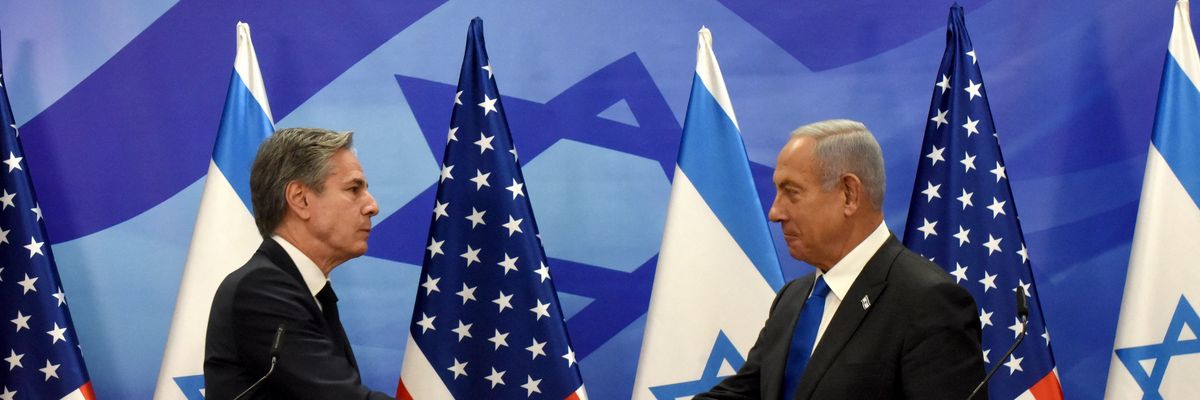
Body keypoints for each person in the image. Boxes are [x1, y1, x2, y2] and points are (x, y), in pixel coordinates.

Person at [696, 119, 985, 399]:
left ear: (849, 194)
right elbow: (744, 394)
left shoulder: (927, 301)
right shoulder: (792, 299)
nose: (775, 212)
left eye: (791, 192)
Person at [204, 127, 394, 399]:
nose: (372, 206)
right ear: (300, 199)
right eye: (354, 189)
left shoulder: (302, 290)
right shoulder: (260, 291)